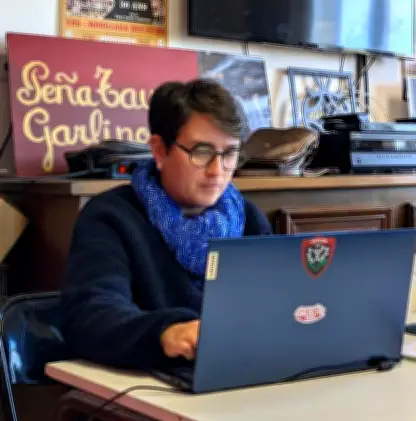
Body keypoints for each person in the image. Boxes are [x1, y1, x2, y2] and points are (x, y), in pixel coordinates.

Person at [61, 79, 272, 370]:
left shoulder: (249, 219)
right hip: (151, 381)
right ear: (160, 151)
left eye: (230, 153)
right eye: (201, 151)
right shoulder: (110, 217)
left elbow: (274, 309)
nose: (217, 170)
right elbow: (90, 315)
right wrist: (165, 333)